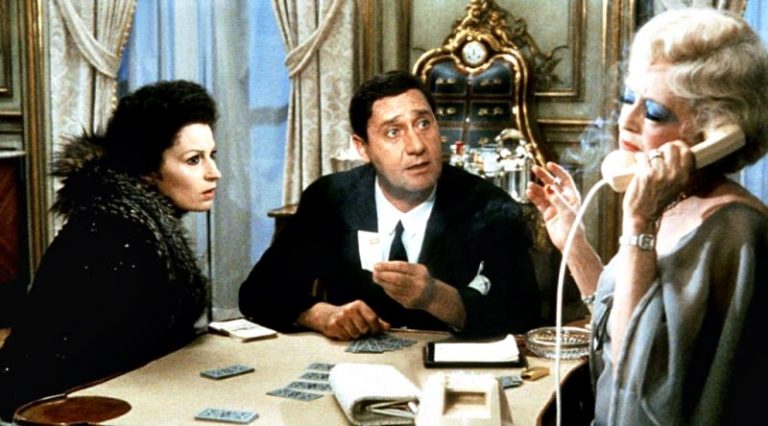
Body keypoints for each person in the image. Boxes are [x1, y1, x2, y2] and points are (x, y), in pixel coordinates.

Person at [527, 8, 768, 425]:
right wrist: (575, 245)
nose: (627, 120)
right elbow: (622, 326)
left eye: (654, 112)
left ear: (714, 133)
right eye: (628, 99)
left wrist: (638, 223)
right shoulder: (674, 204)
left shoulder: (735, 231)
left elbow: (640, 382)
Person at [239, 70, 539, 340]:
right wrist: (322, 315)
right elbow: (258, 294)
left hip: (450, 373)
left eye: (423, 124)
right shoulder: (330, 198)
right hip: (355, 370)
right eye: (393, 132)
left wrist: (436, 297)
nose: (417, 146)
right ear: (362, 148)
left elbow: (524, 317)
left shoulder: (488, 205)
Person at [0, 80, 220, 419]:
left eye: (211, 156)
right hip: (57, 410)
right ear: (148, 170)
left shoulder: (138, 219)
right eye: (193, 160)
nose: (213, 173)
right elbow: (90, 365)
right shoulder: (113, 233)